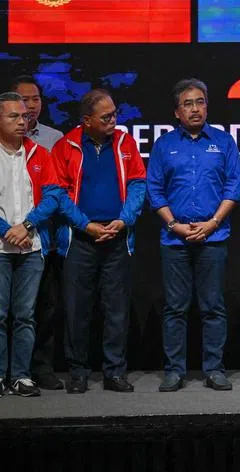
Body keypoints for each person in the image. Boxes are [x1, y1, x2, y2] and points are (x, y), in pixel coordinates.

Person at [146, 79, 240, 392]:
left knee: (213, 306)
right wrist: (174, 224)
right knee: (175, 307)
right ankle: (175, 370)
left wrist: (213, 223)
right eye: (188, 103)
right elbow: (154, 189)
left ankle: (214, 369)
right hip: (175, 237)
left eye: (200, 102)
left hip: (213, 236)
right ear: (177, 111)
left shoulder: (224, 142)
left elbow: (234, 186)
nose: (195, 108)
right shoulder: (163, 145)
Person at [53, 89, 146, 393]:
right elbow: (58, 194)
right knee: (77, 309)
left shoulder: (125, 142)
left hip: (117, 237)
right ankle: (78, 372)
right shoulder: (66, 146)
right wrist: (86, 224)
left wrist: (124, 219)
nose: (114, 120)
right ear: (86, 120)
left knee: (116, 308)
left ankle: (114, 372)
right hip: (80, 239)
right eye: (106, 117)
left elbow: (137, 184)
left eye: (115, 114)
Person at [0, 92, 81, 397]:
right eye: (14, 117)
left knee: (25, 316)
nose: (22, 121)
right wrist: (8, 230)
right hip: (1, 247)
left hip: (32, 247)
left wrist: (27, 226)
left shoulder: (39, 154)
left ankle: (21, 376)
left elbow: (53, 197)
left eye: (24, 116)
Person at [11, 75, 65, 390]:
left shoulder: (54, 139)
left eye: (35, 99)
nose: (30, 106)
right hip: (6, 240)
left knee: (45, 306)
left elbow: (57, 192)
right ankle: (11, 370)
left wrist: (31, 224)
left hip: (43, 240)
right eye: (23, 100)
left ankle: (41, 367)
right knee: (9, 310)